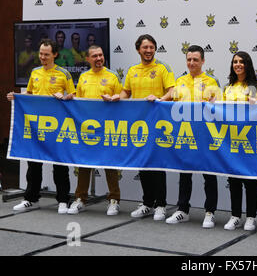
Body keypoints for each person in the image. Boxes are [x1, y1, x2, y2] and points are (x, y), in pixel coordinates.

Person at [6, 38, 75, 214]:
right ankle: (30, 198)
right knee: (34, 164)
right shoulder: (35, 72)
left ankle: (63, 200)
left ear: (55, 55)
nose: (42, 57)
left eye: (46, 54)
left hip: (57, 126)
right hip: (36, 127)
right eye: (40, 54)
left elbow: (73, 96)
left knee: (60, 164)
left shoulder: (64, 74)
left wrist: (65, 96)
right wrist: (17, 97)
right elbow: (29, 94)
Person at [120, 34, 175, 220]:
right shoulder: (132, 70)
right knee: (143, 164)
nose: (149, 50)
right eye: (145, 47)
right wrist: (115, 99)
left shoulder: (163, 68)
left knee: (157, 165)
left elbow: (172, 91)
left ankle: (161, 205)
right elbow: (125, 92)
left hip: (158, 125)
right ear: (138, 50)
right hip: (138, 125)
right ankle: (147, 203)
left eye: (151, 47)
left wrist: (159, 100)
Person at [165, 45, 221, 228]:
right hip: (185, 136)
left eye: (195, 59)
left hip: (206, 137)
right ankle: (183, 210)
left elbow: (219, 109)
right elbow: (168, 105)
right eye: (189, 59)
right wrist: (155, 100)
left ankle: (210, 212)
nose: (191, 63)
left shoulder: (212, 81)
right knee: (184, 174)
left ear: (203, 61)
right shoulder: (179, 81)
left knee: (209, 175)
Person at [67, 45, 122, 216]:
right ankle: (80, 199)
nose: (98, 58)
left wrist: (114, 99)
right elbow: (79, 101)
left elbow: (122, 100)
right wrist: (71, 97)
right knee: (84, 164)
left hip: (107, 128)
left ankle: (114, 200)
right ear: (88, 59)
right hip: (88, 129)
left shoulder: (112, 76)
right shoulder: (83, 77)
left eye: (101, 55)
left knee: (109, 164)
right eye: (95, 56)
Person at [222, 51, 257, 231]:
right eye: (235, 62)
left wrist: (256, 104)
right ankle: (235, 215)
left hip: (250, 139)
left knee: (249, 179)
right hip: (232, 139)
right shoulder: (228, 87)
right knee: (233, 180)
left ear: (247, 64)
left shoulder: (255, 86)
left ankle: (251, 217)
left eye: (241, 62)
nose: (238, 64)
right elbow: (221, 111)